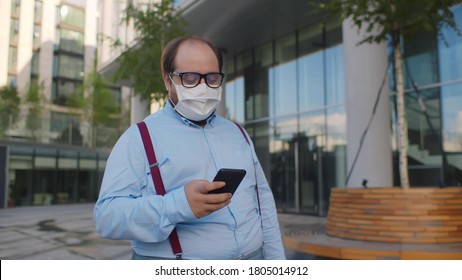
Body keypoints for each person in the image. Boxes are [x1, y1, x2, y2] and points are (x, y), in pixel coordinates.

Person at [94, 35, 286, 260]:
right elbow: (107, 217)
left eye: (212, 78)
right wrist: (177, 205)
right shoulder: (138, 138)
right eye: (190, 78)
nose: (203, 87)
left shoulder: (238, 133)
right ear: (168, 80)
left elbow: (262, 201)